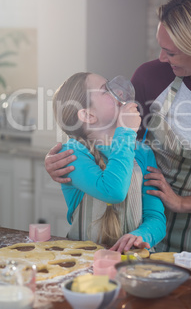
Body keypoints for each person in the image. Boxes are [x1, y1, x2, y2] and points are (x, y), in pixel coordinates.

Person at [45, 0, 191, 253]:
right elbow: (112, 139)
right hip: (130, 233)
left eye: (171, 53)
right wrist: (60, 157)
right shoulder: (152, 77)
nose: (162, 58)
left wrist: (181, 203)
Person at [51, 71, 166, 253]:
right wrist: (126, 132)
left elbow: (155, 218)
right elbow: (113, 191)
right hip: (83, 265)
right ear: (88, 116)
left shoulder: (143, 152)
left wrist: (142, 235)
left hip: (133, 265)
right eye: (106, 89)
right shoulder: (72, 154)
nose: (119, 92)